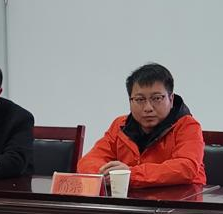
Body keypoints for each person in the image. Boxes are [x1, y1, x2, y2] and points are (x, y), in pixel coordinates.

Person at [78, 63, 206, 187]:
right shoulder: (120, 125)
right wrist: (105, 173)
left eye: (156, 98)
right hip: (132, 199)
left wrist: (129, 175)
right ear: (130, 101)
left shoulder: (187, 125)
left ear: (171, 99)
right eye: (140, 99)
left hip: (180, 198)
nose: (148, 108)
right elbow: (88, 162)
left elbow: (186, 168)